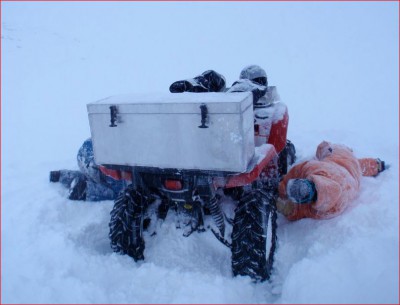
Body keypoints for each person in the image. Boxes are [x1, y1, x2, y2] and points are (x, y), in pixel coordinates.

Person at [170, 65, 295, 175]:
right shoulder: (276, 110)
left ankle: (200, 83)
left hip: (221, 155)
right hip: (245, 159)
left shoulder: (227, 101)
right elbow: (276, 145)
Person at [277, 141, 386, 221]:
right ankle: (376, 164)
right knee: (327, 150)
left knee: (324, 149)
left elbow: (301, 211)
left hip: (347, 167)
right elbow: (300, 169)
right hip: (346, 166)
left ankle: (375, 164)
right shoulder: (320, 169)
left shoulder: (332, 208)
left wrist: (285, 204)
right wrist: (283, 186)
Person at [50, 138, 132, 201]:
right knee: (120, 193)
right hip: (102, 165)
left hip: (87, 150)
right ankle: (83, 189)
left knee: (93, 177)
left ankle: (61, 176)